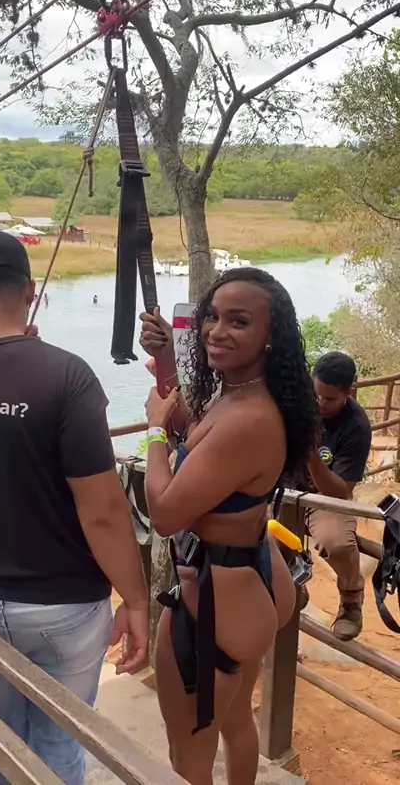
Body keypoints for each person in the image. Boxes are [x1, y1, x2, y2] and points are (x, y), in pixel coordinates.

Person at [0, 231, 148, 785]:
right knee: (57, 746)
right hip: (63, 608)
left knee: (0, 741)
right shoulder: (65, 376)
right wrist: (137, 600)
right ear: (30, 291)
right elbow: (102, 512)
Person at [139, 268, 318, 785]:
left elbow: (166, 514)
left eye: (238, 321)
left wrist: (153, 432)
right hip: (249, 578)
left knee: (187, 756)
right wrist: (167, 363)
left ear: (270, 336)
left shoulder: (248, 418)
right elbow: (200, 437)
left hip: (214, 602)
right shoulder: (241, 392)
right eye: (212, 317)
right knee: (236, 721)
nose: (217, 331)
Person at [301, 351, 372, 641]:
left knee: (336, 543)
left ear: (349, 392)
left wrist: (310, 456)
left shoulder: (357, 426)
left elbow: (341, 491)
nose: (319, 403)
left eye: (329, 398)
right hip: (284, 488)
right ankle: (291, 581)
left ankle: (351, 598)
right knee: (250, 525)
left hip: (325, 498)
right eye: (316, 393)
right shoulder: (296, 401)